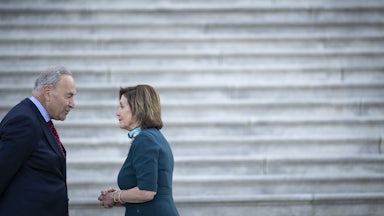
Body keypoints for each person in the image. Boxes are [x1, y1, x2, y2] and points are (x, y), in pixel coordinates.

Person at [0, 66, 76, 216]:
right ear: (47, 92)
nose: (73, 104)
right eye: (68, 96)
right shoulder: (24, 121)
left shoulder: (37, 118)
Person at [98, 84, 179, 216]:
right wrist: (116, 197)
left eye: (122, 106)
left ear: (138, 109)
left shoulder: (145, 139)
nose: (117, 112)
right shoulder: (153, 136)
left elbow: (147, 192)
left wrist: (115, 196)